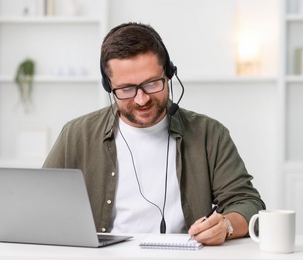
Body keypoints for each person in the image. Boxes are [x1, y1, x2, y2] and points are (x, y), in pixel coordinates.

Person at [43, 22, 266, 246]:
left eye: (152, 84)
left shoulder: (209, 133)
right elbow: (41, 204)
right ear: (108, 86)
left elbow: (248, 202)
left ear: (169, 74)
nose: (142, 99)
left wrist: (226, 226)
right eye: (126, 89)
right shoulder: (76, 135)